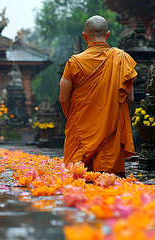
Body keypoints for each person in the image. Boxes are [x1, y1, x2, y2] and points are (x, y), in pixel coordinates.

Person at [59, 15, 137, 177]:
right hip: (111, 137)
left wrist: (73, 118)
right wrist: (113, 116)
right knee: (110, 185)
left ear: (84, 35)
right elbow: (129, 99)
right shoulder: (122, 59)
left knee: (79, 180)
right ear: (107, 34)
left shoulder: (74, 62)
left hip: (81, 132)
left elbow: (63, 98)